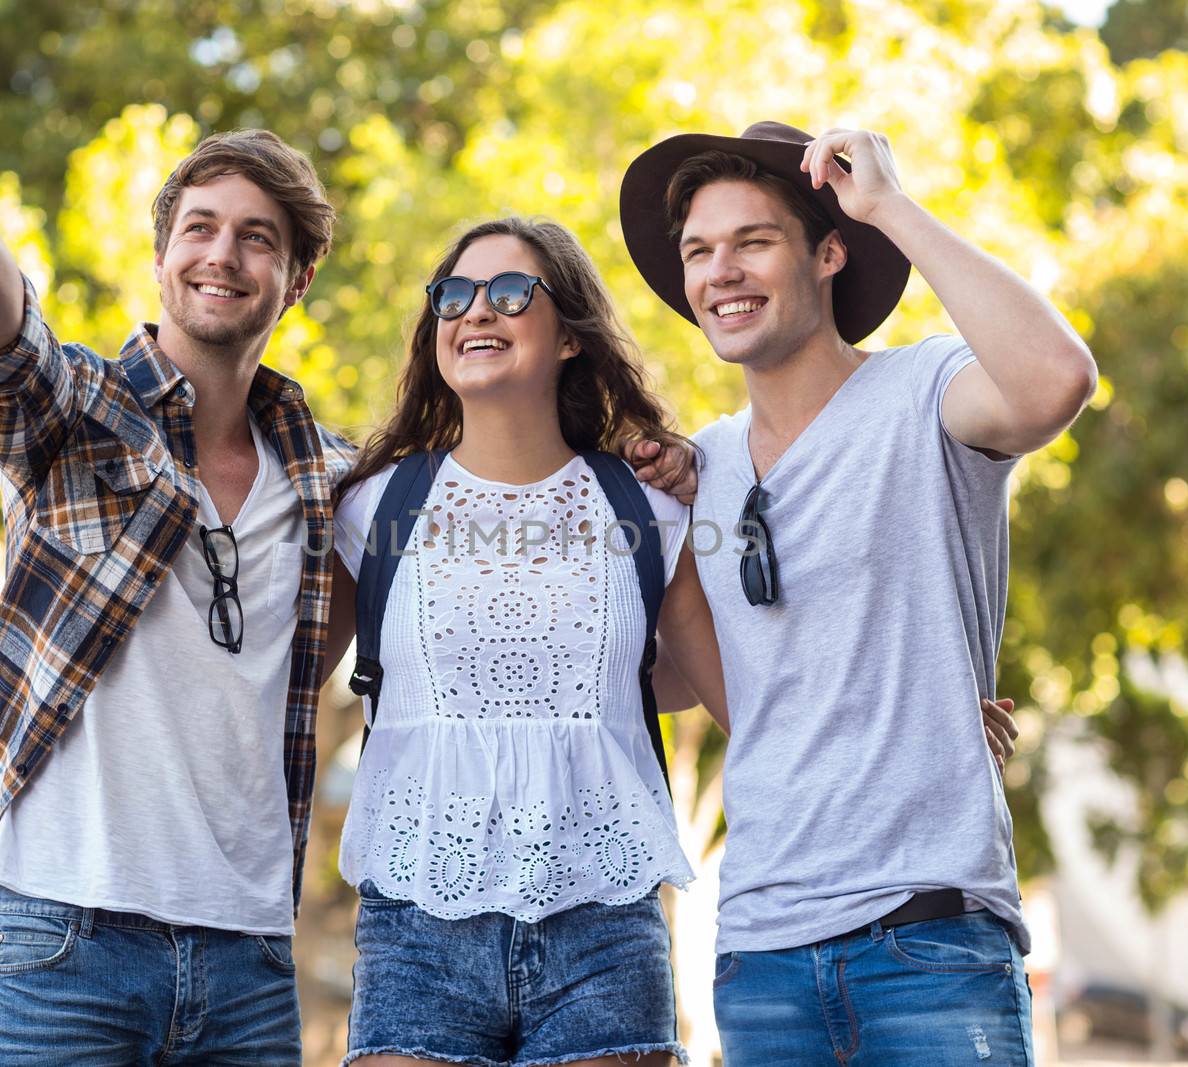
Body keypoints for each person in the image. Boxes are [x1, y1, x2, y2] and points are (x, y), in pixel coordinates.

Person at [0, 85, 350, 1064]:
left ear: (296, 278)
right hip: (65, 940)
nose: (222, 254)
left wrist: (659, 465)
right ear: (161, 255)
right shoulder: (81, 420)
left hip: (249, 960)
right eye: (200, 227)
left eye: (258, 237)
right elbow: (6, 352)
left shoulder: (331, 477)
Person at [620, 122, 1097, 1064]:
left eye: (753, 241)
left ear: (830, 251)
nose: (722, 272)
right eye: (699, 252)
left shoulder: (925, 394)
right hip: (759, 955)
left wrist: (887, 204)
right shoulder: (700, 466)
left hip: (927, 940)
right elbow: (690, 683)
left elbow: (1055, 381)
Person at [328, 216, 729, 1067]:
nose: (478, 312)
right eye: (455, 295)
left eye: (511, 293)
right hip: (416, 925)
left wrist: (931, 719)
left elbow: (741, 696)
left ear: (571, 338)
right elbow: (268, 679)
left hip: (606, 928)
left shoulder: (651, 508)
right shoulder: (372, 509)